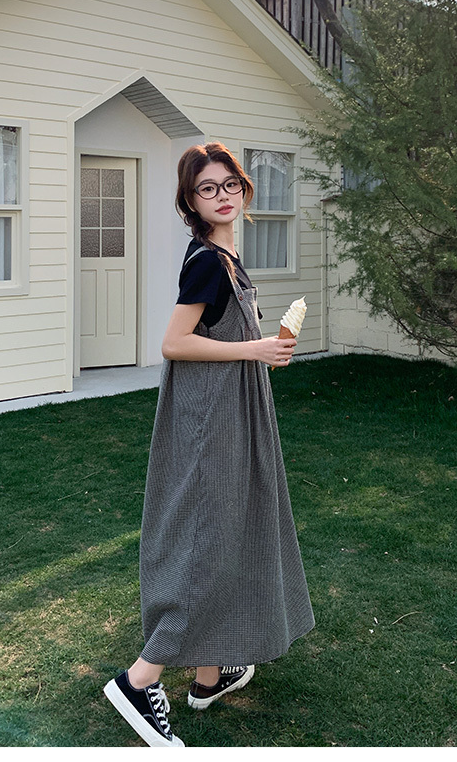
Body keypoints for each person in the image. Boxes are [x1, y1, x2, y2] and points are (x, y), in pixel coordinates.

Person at [103, 142, 315, 747]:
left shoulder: (228, 258)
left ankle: (209, 672)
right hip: (210, 423)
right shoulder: (206, 263)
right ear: (190, 202)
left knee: (233, 531)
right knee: (208, 544)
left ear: (243, 190)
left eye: (229, 185)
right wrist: (256, 349)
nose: (221, 196)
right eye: (207, 188)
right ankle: (140, 680)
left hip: (233, 412)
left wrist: (262, 349)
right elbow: (174, 343)